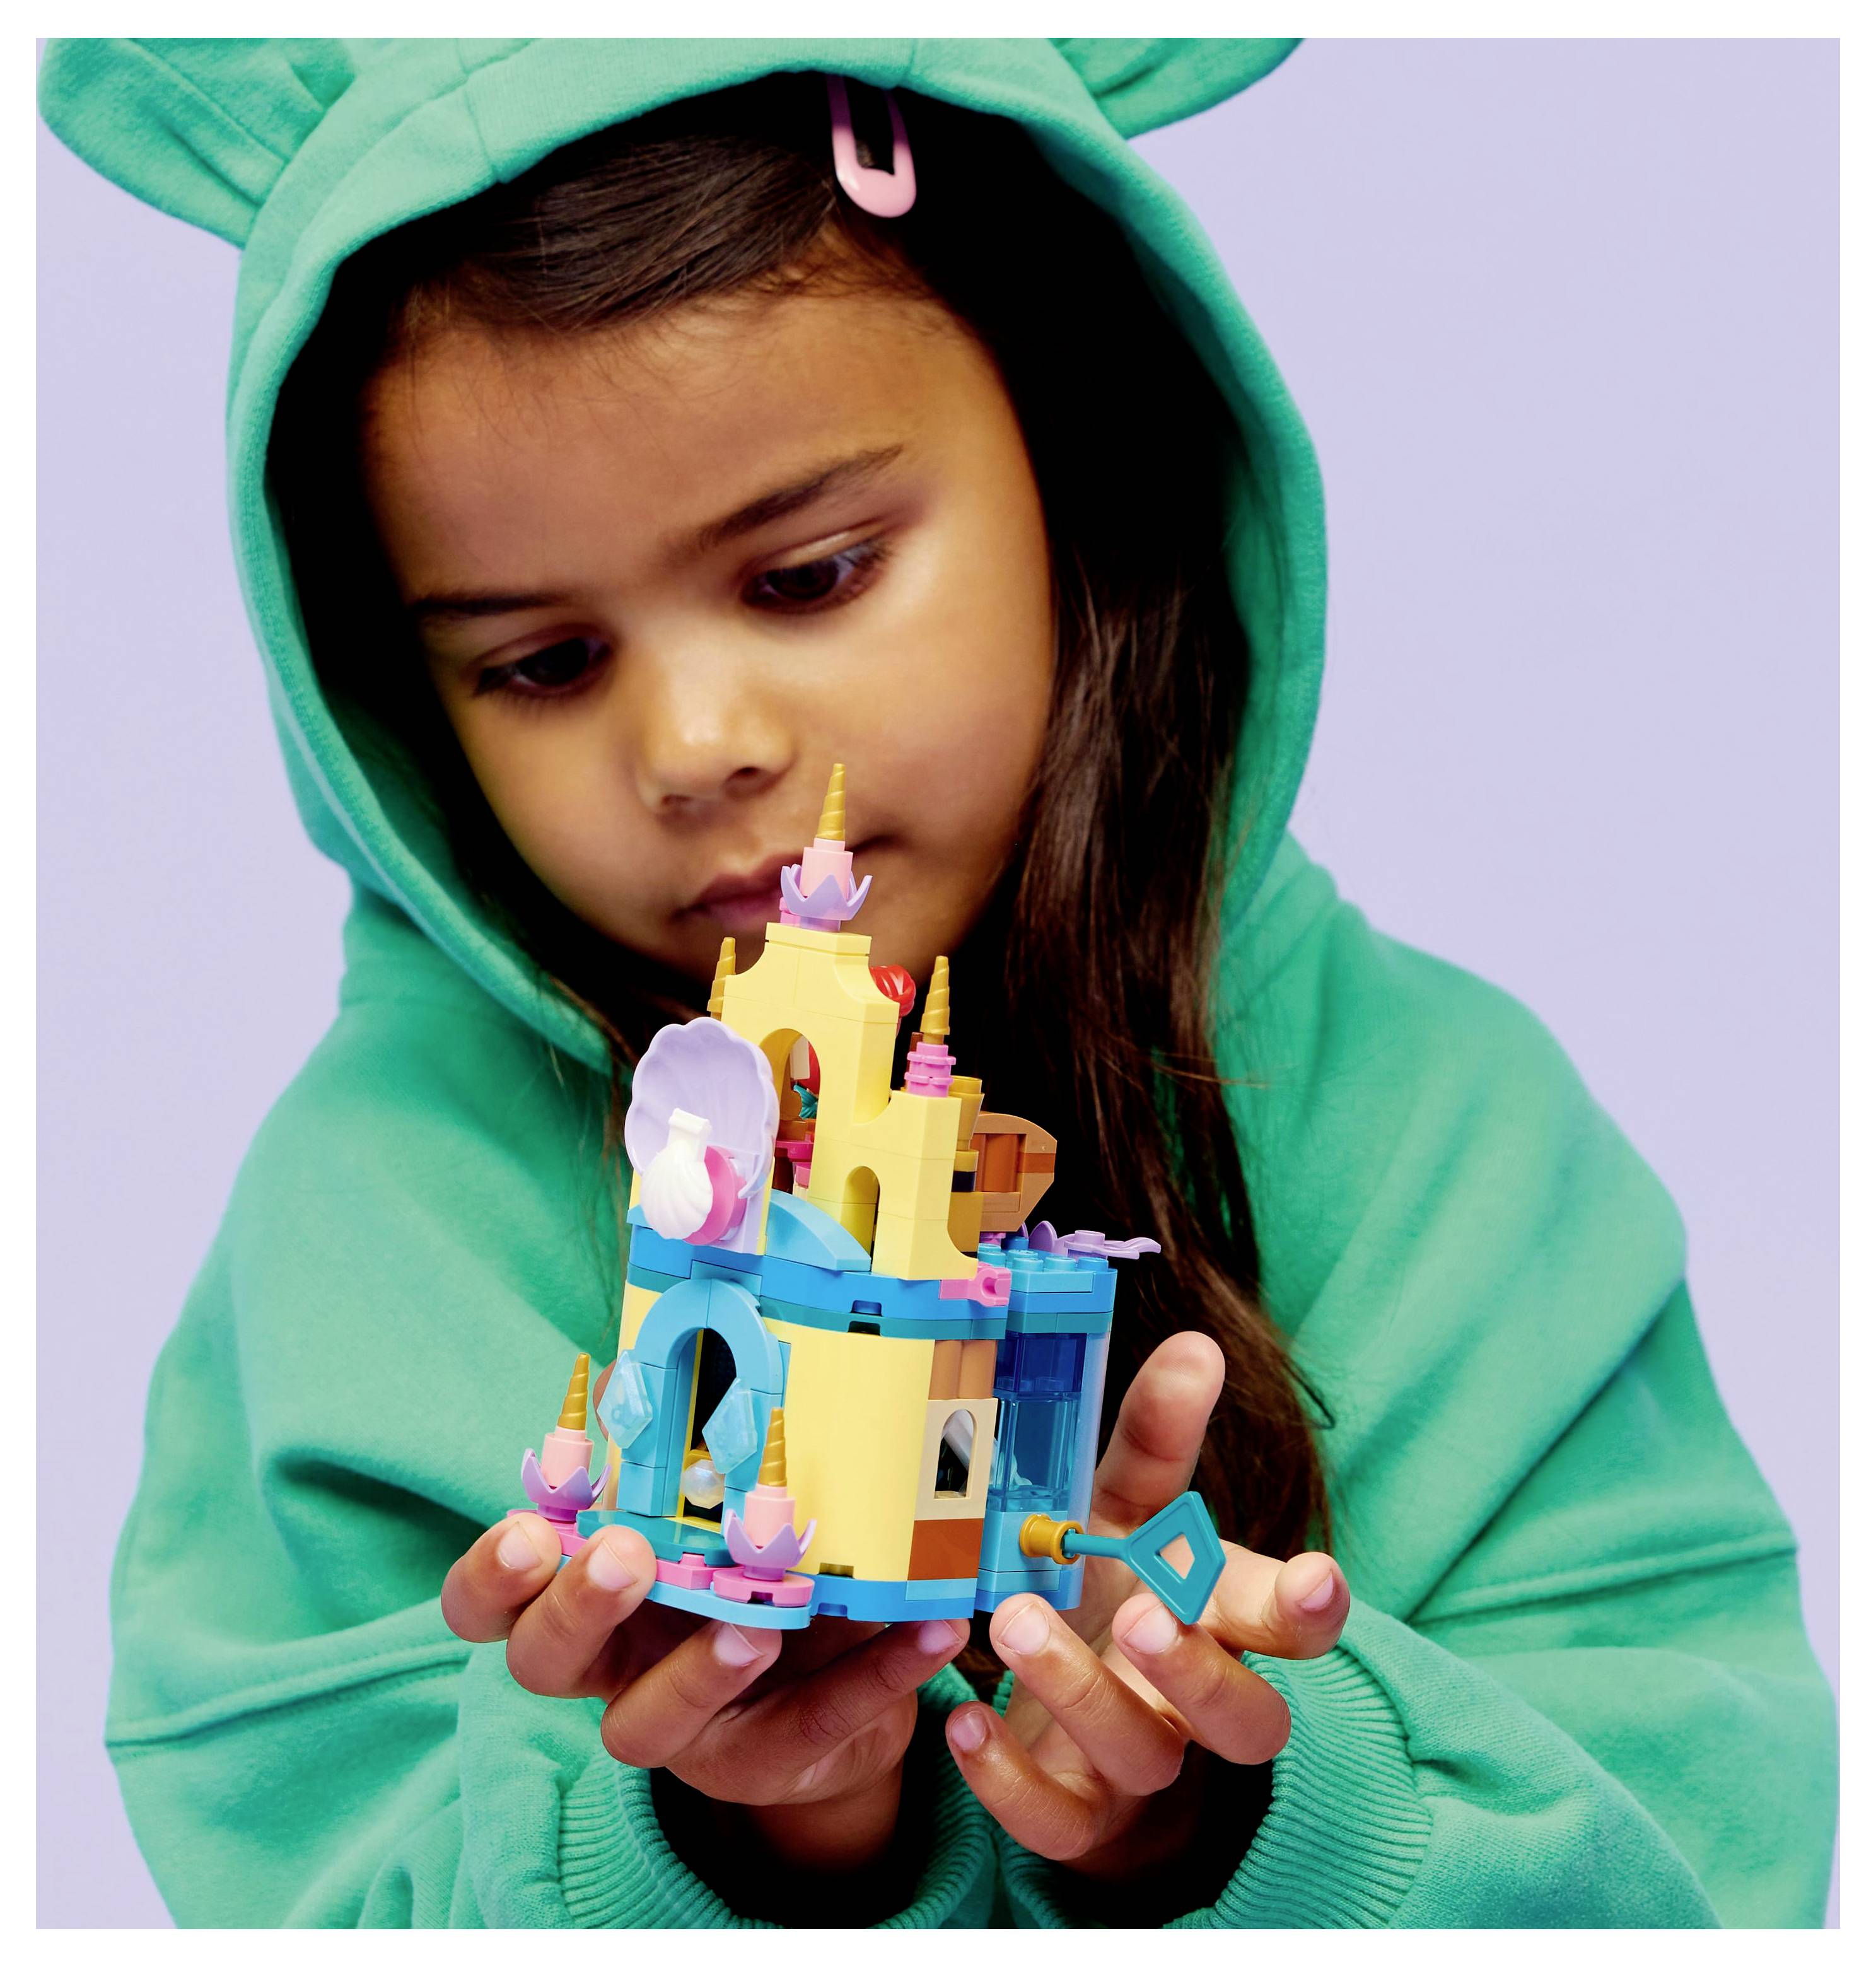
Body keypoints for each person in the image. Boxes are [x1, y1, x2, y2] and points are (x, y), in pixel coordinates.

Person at [40, 38, 1835, 1929]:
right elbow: (303, 1866)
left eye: (808, 575)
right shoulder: (377, 1224)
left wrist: (1227, 1822)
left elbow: (1700, 1864)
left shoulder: (1451, 1144)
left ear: (1085, 465)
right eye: (547, 663)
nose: (700, 741)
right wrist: (753, 1830)